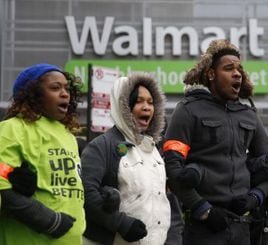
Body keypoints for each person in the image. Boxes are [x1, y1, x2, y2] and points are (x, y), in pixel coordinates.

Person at [162, 39, 268, 245]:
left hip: (242, 228)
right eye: (229, 68)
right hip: (203, 229)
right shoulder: (188, 110)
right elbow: (172, 166)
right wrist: (202, 209)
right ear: (211, 74)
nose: (237, 74)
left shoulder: (249, 115)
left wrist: (255, 197)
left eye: (239, 69)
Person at [81, 73, 171, 245]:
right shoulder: (101, 146)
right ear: (123, 106)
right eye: (139, 101)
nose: (147, 107)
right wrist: (120, 223)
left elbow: (164, 199)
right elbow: (86, 194)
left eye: (151, 102)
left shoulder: (153, 149)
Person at [0, 63, 85, 244]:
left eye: (67, 89)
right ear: (33, 94)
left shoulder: (68, 136)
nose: (65, 94)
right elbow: (3, 185)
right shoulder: (12, 129)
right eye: (55, 88)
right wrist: (48, 220)